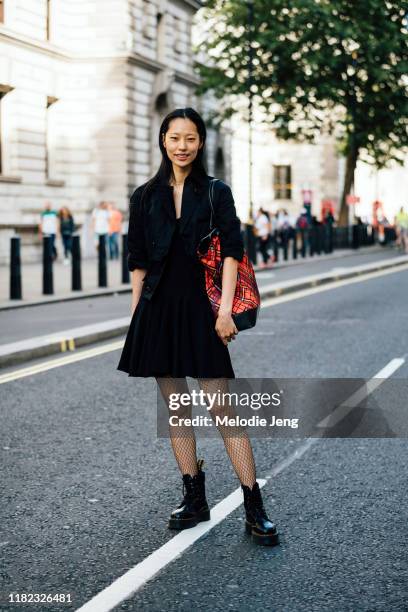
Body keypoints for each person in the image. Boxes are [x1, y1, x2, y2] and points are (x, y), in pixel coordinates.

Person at [117, 107, 278, 546]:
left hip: (203, 311)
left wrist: (224, 311)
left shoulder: (215, 192)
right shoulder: (145, 196)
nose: (182, 146)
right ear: (163, 141)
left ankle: (253, 505)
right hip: (157, 310)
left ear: (200, 142)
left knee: (222, 408)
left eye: (190, 138)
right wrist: (137, 317)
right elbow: (138, 260)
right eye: (174, 138)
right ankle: (194, 496)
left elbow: (231, 251)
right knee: (176, 409)